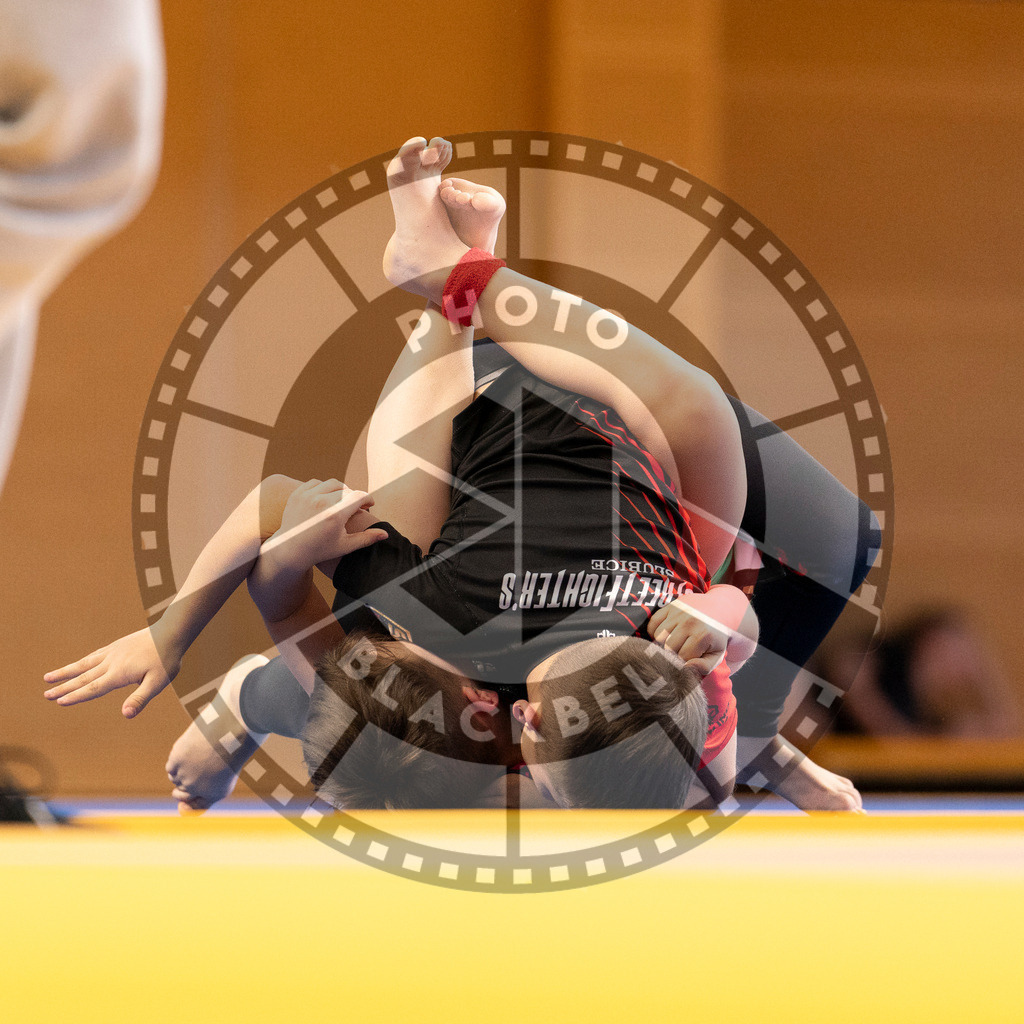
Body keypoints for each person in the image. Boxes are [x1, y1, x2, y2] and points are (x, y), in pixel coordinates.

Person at [46, 137, 866, 812]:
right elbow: (735, 624)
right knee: (790, 501)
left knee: (396, 543)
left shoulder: (412, 622)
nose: (514, 718)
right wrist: (729, 659)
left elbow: (278, 556)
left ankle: (455, 284)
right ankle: (459, 273)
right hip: (611, 416)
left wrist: (178, 630)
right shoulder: (662, 674)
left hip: (480, 424)